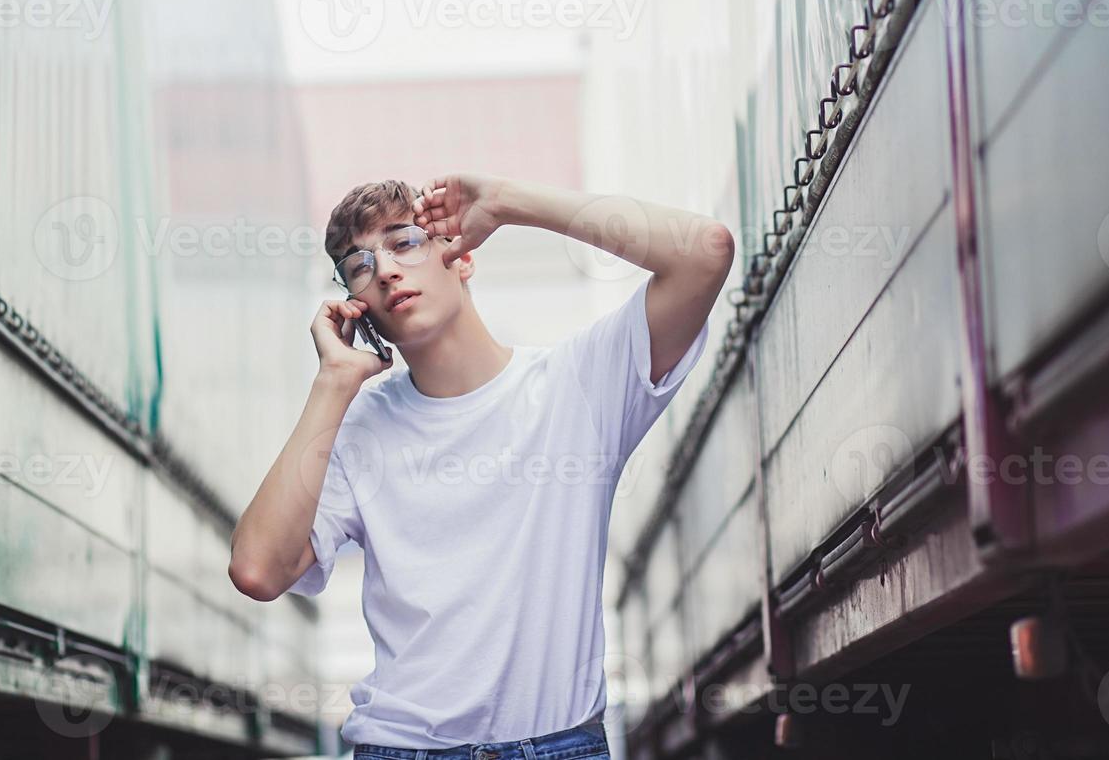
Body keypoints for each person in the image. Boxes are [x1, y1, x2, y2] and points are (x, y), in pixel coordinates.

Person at [229, 174, 734, 757]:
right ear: (356, 305)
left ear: (461, 257)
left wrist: (507, 203)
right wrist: (332, 382)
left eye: (405, 242)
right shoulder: (356, 427)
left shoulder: (578, 386)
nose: (387, 269)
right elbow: (257, 571)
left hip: (560, 746)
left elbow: (706, 252)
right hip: (402, 748)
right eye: (360, 265)